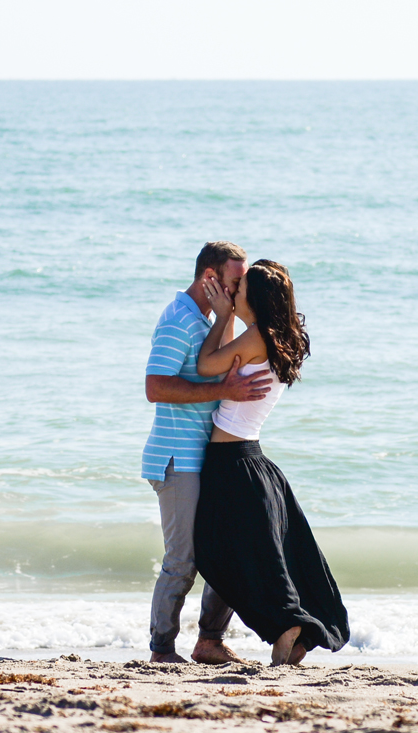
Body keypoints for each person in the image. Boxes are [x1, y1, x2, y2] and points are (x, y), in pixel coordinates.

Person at [193, 260, 350, 666]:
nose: (233, 292)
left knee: (218, 553)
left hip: (231, 462)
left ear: (255, 298)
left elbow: (205, 365)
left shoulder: (257, 337)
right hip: (252, 459)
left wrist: (222, 316)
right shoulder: (274, 337)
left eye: (239, 288)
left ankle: (285, 626)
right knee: (259, 558)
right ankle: (290, 635)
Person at [142, 241, 275, 664]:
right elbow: (155, 387)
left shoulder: (212, 320)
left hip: (209, 459)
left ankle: (209, 641)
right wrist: (224, 390)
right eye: (237, 281)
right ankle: (162, 649)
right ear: (210, 279)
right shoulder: (179, 320)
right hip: (177, 460)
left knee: (228, 551)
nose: (242, 289)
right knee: (183, 561)